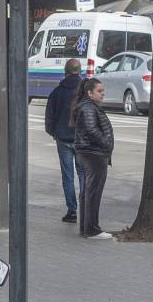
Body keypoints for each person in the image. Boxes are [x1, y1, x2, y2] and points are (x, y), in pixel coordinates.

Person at [71, 77, 114, 240]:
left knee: (87, 193)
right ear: (89, 93)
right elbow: (92, 130)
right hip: (93, 155)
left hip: (88, 154)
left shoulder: (87, 106)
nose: (103, 94)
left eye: (103, 91)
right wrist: (106, 144)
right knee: (92, 193)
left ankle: (86, 228)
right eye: (99, 91)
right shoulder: (89, 108)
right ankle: (92, 229)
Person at [44, 58, 84, 223]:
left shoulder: (57, 92)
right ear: (79, 71)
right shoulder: (84, 91)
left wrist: (54, 133)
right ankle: (86, 209)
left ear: (65, 72)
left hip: (63, 138)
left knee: (67, 176)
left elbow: (49, 117)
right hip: (81, 139)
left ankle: (72, 211)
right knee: (83, 174)